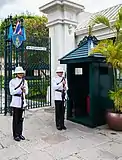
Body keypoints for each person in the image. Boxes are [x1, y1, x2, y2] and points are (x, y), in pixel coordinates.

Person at [9, 66, 28, 141]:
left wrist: (24, 90)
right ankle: (15, 134)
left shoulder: (24, 81)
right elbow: (12, 92)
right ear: (16, 74)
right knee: (16, 119)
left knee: (21, 119)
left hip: (22, 102)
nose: (20, 74)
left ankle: (20, 133)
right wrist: (19, 89)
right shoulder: (12, 81)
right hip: (15, 102)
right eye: (19, 73)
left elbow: (26, 92)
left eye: (21, 73)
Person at [53, 66, 68, 130]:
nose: (60, 73)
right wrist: (61, 84)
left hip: (63, 96)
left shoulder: (64, 79)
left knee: (63, 111)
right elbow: (55, 87)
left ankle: (62, 124)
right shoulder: (54, 79)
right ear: (57, 73)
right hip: (57, 96)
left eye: (61, 72)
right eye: (59, 72)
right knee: (58, 111)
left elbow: (67, 87)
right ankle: (58, 124)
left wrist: (65, 88)